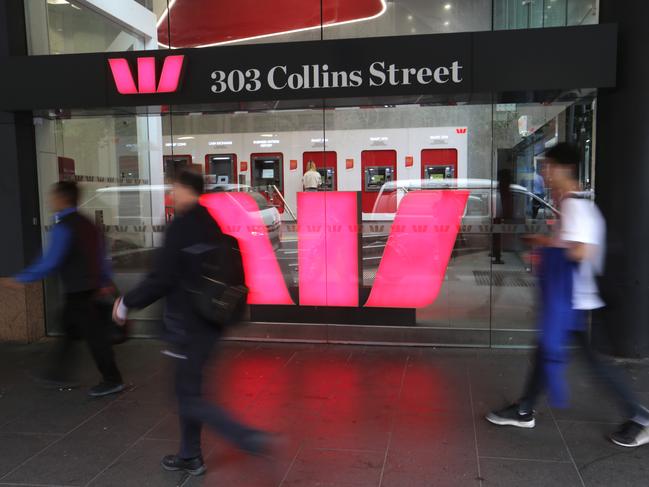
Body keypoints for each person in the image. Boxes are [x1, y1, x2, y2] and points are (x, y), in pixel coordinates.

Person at [486, 143, 649, 448]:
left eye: (547, 166)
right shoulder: (573, 206)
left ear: (565, 169)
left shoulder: (576, 207)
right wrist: (548, 242)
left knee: (587, 362)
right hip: (572, 302)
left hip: (574, 303)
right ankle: (524, 410)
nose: (544, 173)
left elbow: (581, 252)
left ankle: (640, 417)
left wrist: (543, 243)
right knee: (546, 353)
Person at [112, 170, 272, 476]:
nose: (171, 194)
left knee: (185, 395)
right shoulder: (209, 220)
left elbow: (162, 277)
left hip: (188, 323)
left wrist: (127, 303)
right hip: (211, 320)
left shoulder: (182, 226)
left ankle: (246, 437)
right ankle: (190, 455)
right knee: (190, 390)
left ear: (187, 190)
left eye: (175, 188)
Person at [13, 181, 124, 397]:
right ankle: (57, 374)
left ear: (63, 198)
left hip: (79, 290)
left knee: (94, 337)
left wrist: (22, 278)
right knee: (69, 330)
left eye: (53, 196)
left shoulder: (64, 226)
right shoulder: (88, 223)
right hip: (88, 288)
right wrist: (104, 281)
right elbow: (102, 257)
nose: (50, 200)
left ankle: (112, 379)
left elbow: (51, 261)